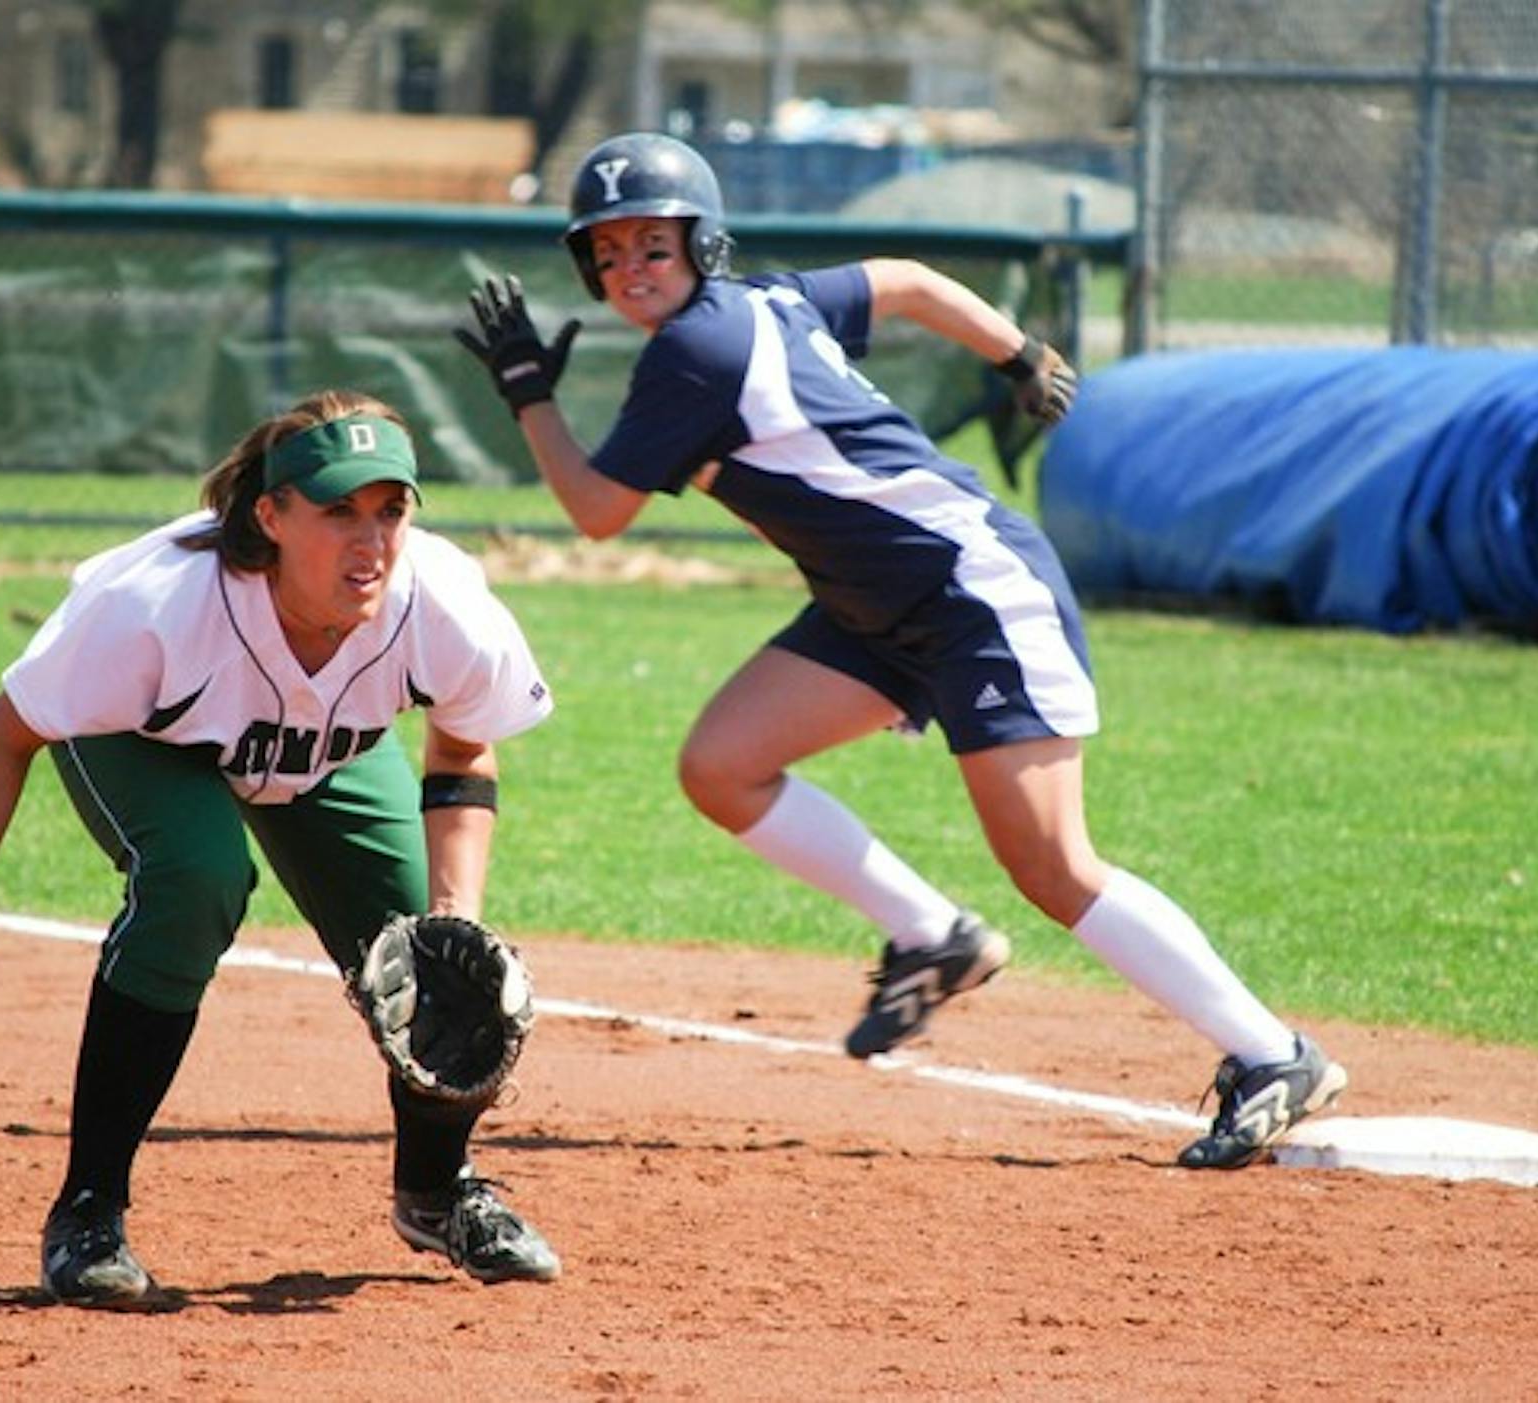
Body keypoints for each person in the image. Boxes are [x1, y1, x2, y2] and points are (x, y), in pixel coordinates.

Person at [453, 131, 1347, 1171]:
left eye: (651, 244)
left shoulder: (694, 350)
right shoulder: (773, 302)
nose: (627, 270)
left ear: (703, 245)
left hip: (971, 593)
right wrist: (1016, 356)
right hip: (872, 606)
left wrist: (527, 394)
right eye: (606, 254)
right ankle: (933, 936)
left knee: (1050, 863)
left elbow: (595, 509)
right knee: (722, 765)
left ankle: (1271, 1052)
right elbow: (914, 284)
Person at [0, 389, 562, 1307]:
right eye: (338, 511)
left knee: (436, 963)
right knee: (198, 877)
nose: (371, 540)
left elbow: (463, 746)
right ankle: (88, 1211)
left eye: (390, 510)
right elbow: (6, 736)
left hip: (329, 756)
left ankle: (438, 1192)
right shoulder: (154, 604)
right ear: (270, 515)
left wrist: (455, 915)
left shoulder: (440, 600)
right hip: (146, 739)